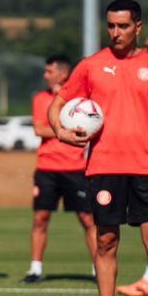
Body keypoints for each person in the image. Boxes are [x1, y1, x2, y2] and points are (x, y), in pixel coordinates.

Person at [49, 0, 148, 296]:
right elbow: (59, 103)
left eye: (122, 26)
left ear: (138, 26)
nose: (115, 32)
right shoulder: (91, 65)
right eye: (110, 25)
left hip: (145, 164)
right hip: (104, 165)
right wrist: (61, 131)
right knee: (105, 240)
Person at [21, 55, 96, 283]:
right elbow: (39, 130)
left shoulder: (80, 101)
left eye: (49, 71)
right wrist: (67, 129)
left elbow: (89, 126)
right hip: (46, 168)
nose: (45, 75)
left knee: (87, 219)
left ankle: (97, 269)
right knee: (40, 218)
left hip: (75, 168)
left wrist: (58, 127)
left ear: (63, 74)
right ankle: (35, 269)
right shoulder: (40, 98)